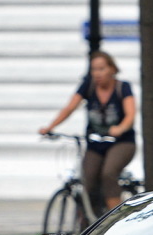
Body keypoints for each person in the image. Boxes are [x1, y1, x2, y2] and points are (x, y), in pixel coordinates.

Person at [39, 50, 137, 214]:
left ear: (112, 69)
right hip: (96, 143)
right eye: (94, 70)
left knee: (108, 173)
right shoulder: (88, 87)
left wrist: (120, 128)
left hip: (121, 142)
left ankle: (115, 218)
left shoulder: (122, 87)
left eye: (101, 69)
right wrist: (51, 127)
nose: (97, 74)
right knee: (88, 180)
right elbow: (70, 107)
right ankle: (89, 223)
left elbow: (131, 114)